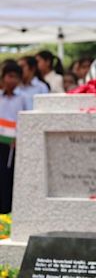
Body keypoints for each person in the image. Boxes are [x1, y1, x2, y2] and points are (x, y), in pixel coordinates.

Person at [0, 61, 30, 213]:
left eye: (16, 77)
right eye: (9, 76)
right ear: (3, 77)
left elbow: (27, 120)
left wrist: (20, 138)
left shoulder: (23, 98)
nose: (12, 80)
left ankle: (9, 209)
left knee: (10, 177)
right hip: (1, 141)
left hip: (15, 143)